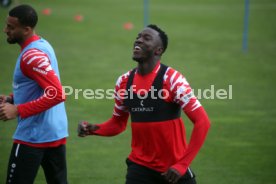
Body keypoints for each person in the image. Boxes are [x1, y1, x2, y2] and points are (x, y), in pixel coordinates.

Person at [78, 24, 211, 184]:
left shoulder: (172, 80)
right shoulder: (124, 82)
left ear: (158, 50)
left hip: (173, 171)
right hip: (139, 168)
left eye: (146, 38)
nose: (138, 41)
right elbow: (118, 124)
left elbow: (202, 122)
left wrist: (182, 164)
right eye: (138, 37)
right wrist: (93, 129)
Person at [0, 4, 68, 184]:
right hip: (54, 134)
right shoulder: (43, 45)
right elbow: (40, 88)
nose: (5, 30)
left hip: (33, 137)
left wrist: (17, 110)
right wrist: (12, 99)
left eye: (11, 27)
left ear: (26, 29)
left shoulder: (31, 56)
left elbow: (56, 94)